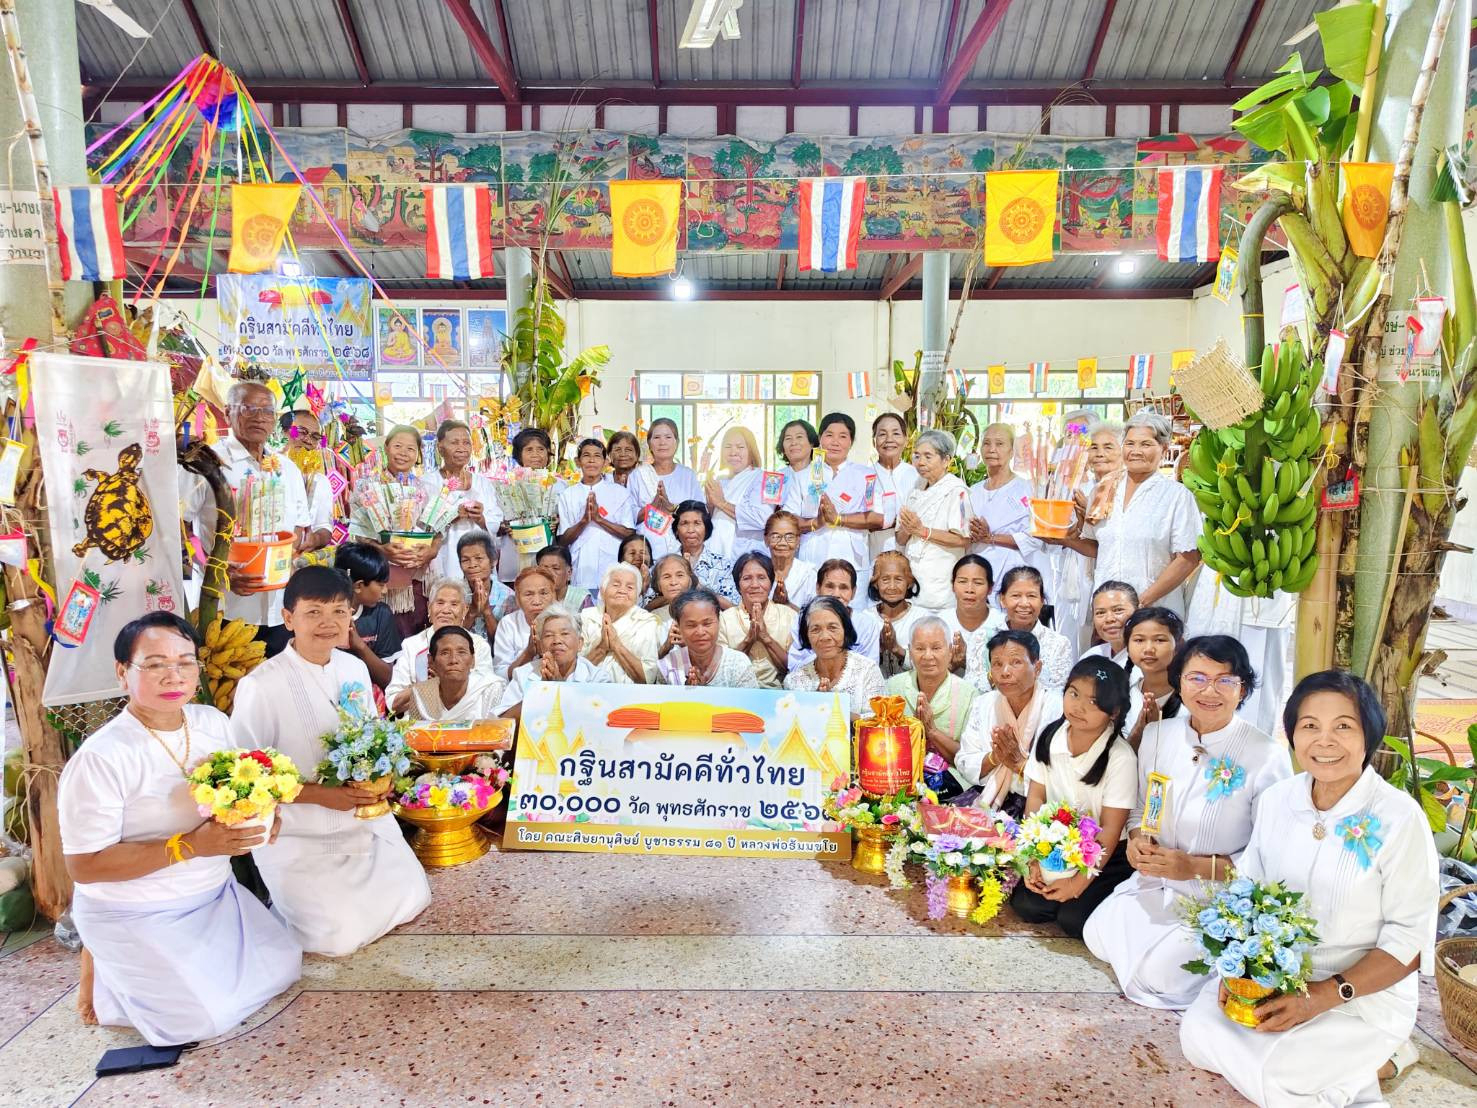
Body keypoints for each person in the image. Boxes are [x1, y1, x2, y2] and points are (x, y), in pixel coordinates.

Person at [1179, 671, 1439, 1105]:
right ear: (1293, 735)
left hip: (1357, 996)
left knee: (1278, 1072)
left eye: (1343, 726)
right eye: (1310, 726)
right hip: (1275, 980)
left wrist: (1322, 996)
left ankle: (1383, 1057)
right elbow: (1247, 893)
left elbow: (1409, 943)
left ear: (1369, 735)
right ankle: (1360, 1070)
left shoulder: (1399, 818)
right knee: (1196, 1036)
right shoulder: (1279, 800)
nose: (1325, 741)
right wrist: (1236, 971)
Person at [59, 613, 301, 1046]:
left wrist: (264, 812)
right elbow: (85, 866)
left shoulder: (211, 722)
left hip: (212, 895)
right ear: (122, 673)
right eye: (155, 664)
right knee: (199, 1022)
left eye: (185, 662)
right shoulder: (101, 757)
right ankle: (107, 972)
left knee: (284, 968)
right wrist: (190, 846)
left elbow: (240, 789)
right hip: (135, 910)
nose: (174, 676)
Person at [230, 567, 431, 956]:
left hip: (359, 821)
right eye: (314, 612)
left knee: (414, 895)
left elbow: (372, 736)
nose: (328, 623)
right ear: (288, 618)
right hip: (299, 833)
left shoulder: (353, 667)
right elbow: (246, 778)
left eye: (339, 611)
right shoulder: (260, 685)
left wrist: (382, 775)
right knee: (338, 938)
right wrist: (320, 795)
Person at [1084, 635, 1290, 1011]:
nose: (1209, 691)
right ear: (1179, 681)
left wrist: (1193, 866)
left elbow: (1269, 856)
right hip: (1154, 883)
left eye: (1224, 680)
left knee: (1160, 976)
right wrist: (1137, 839)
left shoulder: (1266, 756)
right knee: (1094, 934)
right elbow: (1142, 807)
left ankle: (1224, 958)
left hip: (1217, 897)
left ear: (1243, 689)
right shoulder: (1157, 736)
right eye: (1197, 678)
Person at [1009, 657, 1138, 939]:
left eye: (1094, 702)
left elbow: (1111, 829)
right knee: (1027, 905)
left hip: (1105, 852)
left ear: (1114, 711)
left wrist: (1077, 884)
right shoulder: (1050, 735)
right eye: (1074, 693)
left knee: (1074, 920)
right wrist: (1032, 859)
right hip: (1057, 843)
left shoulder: (1120, 757)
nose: (1079, 707)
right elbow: (1036, 799)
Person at [180, 380, 310, 656]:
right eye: (249, 409)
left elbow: (298, 526)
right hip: (223, 607)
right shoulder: (206, 463)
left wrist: (288, 560)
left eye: (268, 411)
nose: (260, 418)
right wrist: (216, 568)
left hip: (280, 608)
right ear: (228, 413)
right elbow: (180, 525)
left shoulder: (287, 469)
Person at [1055, 411, 1201, 616]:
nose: (1136, 451)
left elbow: (1188, 559)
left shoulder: (1176, 496)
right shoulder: (1102, 490)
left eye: (1146, 444)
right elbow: (1097, 546)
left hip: (1153, 612)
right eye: (1130, 443)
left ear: (1164, 448)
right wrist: (1064, 539)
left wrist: (1141, 602)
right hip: (1108, 610)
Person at [346, 424, 442, 638]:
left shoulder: (425, 488)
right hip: (381, 576)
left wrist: (432, 551)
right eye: (398, 446)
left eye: (410, 448)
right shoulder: (366, 486)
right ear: (387, 447)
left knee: (420, 632)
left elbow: (438, 530)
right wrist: (382, 550)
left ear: (418, 454)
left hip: (419, 574)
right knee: (388, 632)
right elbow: (359, 532)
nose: (403, 453)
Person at [955, 629, 1064, 816]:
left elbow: (1061, 776)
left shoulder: (1057, 708)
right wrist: (995, 758)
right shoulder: (984, 703)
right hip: (985, 794)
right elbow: (964, 760)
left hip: (1036, 803)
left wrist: (1019, 762)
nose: (1005, 672)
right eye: (997, 664)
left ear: (1037, 668)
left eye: (1016, 662)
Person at [886, 617, 978, 800]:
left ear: (950, 651)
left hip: (952, 783)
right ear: (910, 651)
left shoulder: (969, 695)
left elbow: (970, 759)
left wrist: (932, 731)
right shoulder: (893, 687)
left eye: (936, 648)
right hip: (898, 777)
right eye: (920, 648)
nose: (928, 656)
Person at [387, 577, 499, 709]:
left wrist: (449, 684)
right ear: (429, 608)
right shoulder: (411, 646)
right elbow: (393, 702)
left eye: (454, 604)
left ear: (465, 610)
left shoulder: (478, 645)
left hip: (465, 717)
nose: (446, 610)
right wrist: (425, 687)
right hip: (419, 719)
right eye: (440, 603)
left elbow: (486, 695)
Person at [789, 413, 882, 568]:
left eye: (843, 436)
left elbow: (878, 518)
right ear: (820, 438)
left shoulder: (866, 475)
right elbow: (788, 518)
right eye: (829, 435)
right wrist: (815, 523)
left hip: (852, 558)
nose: (835, 442)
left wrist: (839, 519)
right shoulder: (803, 476)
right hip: (812, 558)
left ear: (851, 442)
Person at [895, 428, 971, 612]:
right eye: (917, 456)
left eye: (928, 456)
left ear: (946, 460)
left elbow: (963, 539)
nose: (920, 462)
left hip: (940, 584)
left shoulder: (956, 491)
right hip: (913, 579)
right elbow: (900, 539)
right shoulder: (916, 489)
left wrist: (922, 531)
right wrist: (908, 529)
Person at [496, 605, 607, 719]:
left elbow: (600, 720)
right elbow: (502, 720)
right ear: (540, 646)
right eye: (548, 635)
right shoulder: (523, 674)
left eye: (564, 634)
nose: (557, 641)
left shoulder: (597, 678)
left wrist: (558, 688)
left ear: (580, 643)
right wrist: (543, 691)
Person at [784, 596, 888, 715]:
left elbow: (879, 720)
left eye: (832, 628)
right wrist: (814, 706)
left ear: (845, 631)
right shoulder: (794, 681)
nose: (825, 637)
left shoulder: (867, 671)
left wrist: (834, 709)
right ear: (806, 635)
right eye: (815, 630)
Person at [556, 437, 637, 589]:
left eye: (597, 456)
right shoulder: (568, 495)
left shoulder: (620, 493)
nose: (592, 460)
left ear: (605, 463)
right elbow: (562, 541)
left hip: (612, 565)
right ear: (578, 462)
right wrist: (584, 521)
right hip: (580, 568)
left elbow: (629, 533)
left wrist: (599, 520)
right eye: (586, 455)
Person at [426, 419, 499, 581]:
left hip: (479, 558)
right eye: (454, 443)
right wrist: (451, 517)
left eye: (466, 443)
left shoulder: (483, 483)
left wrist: (481, 519)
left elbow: (495, 520)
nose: (462, 448)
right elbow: (422, 527)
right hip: (445, 555)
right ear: (440, 448)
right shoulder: (429, 483)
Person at [966, 422, 1036, 586]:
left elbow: (1034, 539)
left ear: (1012, 451)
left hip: (1014, 575)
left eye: (999, 444)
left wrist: (990, 538)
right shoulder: (973, 491)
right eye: (986, 443)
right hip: (978, 575)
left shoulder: (1027, 489)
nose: (992, 449)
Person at [495, 427, 564, 582]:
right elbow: (495, 521)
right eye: (529, 449)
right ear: (519, 454)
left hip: (548, 553)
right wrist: (504, 527)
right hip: (515, 553)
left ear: (548, 453)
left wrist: (558, 524)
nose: (535, 454)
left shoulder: (560, 485)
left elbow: (567, 519)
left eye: (541, 449)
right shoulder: (507, 485)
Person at [787, 559, 883, 670]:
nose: (836, 594)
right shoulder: (803, 620)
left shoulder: (867, 625)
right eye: (830, 586)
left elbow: (871, 668)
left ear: (853, 592)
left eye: (843, 588)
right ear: (818, 588)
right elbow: (794, 666)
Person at [718, 552, 796, 689]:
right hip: (737, 692)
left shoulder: (789, 616)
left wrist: (766, 638)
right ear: (738, 586)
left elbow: (795, 668)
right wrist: (749, 640)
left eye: (761, 578)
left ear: (771, 583)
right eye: (747, 578)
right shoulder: (725, 619)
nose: (754, 585)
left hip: (780, 693)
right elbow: (723, 671)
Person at [628, 417, 704, 558]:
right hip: (647, 551)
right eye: (657, 437)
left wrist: (672, 508)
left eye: (668, 437)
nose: (662, 442)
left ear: (677, 442)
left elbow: (700, 513)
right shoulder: (638, 475)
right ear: (649, 444)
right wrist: (653, 506)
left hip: (682, 548)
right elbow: (629, 517)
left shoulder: (688, 475)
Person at [659, 588, 760, 687]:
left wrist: (705, 692)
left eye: (707, 624)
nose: (700, 632)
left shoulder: (738, 664)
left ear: (718, 622)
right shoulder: (668, 666)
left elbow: (749, 699)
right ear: (679, 627)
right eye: (691, 625)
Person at [405, 625, 507, 721]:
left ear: (473, 660)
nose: (453, 660)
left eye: (461, 652)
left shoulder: (490, 690)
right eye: (445, 653)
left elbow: (499, 731)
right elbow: (414, 732)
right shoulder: (420, 695)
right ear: (431, 661)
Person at [581, 561, 661, 683]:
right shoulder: (586, 617)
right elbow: (574, 672)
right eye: (616, 585)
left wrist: (616, 645)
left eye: (630, 587)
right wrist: (601, 648)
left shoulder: (647, 622)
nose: (622, 590)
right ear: (602, 591)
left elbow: (647, 678)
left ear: (637, 596)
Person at [334, 542, 400, 689]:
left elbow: (386, 679)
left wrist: (360, 646)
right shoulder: (325, 617)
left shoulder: (381, 614)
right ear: (358, 586)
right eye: (381, 585)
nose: (385, 591)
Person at [997, 566, 1073, 691]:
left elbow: (1058, 694)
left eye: (1031, 596)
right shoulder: (983, 638)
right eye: (1016, 595)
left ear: (1042, 601)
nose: (1024, 604)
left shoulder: (1059, 645)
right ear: (1002, 599)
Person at [703, 426, 774, 558]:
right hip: (715, 553)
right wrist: (711, 506)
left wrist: (722, 503)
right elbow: (713, 519)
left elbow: (763, 519)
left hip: (747, 556)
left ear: (751, 451)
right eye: (728, 446)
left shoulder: (767, 479)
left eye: (740, 447)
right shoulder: (720, 481)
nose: (733, 452)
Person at [939, 554, 1006, 691]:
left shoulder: (1002, 625)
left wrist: (967, 661)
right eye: (962, 581)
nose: (969, 589)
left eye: (978, 583)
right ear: (952, 585)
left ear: (990, 588)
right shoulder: (940, 623)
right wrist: (952, 666)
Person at [1122, 606, 1186, 745]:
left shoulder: (1192, 698)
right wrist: (1139, 730)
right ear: (1127, 646)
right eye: (1139, 640)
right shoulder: (1123, 696)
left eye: (1159, 640)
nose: (1148, 649)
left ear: (1179, 645)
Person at [492, 567, 559, 680]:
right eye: (528, 594)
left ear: (554, 596)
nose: (537, 601)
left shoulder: (565, 621)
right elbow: (501, 674)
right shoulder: (508, 624)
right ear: (517, 599)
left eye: (544, 593)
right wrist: (529, 653)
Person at [868, 412, 919, 560]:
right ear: (874, 441)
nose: (889, 440)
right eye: (882, 434)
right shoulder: (865, 476)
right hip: (874, 555)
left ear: (906, 440)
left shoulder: (918, 476)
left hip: (911, 558)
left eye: (896, 433)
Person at [871, 550, 927, 678]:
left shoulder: (922, 619)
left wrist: (896, 649)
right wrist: (879, 649)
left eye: (898, 579)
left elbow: (929, 664)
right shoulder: (866, 619)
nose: (892, 586)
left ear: (909, 583)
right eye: (885, 579)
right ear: (875, 583)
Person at [673, 499, 737, 607]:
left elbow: (732, 608)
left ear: (706, 528)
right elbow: (648, 606)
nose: (691, 530)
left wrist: (697, 586)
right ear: (676, 530)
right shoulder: (667, 562)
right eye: (684, 523)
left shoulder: (722, 564)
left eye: (697, 523)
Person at [456, 529, 511, 638]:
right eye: (465, 560)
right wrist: (472, 611)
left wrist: (486, 611)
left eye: (479, 558)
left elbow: (505, 643)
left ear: (493, 560)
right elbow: (449, 638)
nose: (472, 565)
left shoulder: (509, 596)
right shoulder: (453, 593)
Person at [764, 509, 817, 611]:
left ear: (798, 541)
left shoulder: (809, 575)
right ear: (766, 539)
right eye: (776, 536)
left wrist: (787, 604)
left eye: (789, 537)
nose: (782, 543)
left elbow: (815, 617)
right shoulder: (757, 572)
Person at [1081, 580, 1139, 666]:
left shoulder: (1150, 658)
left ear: (1138, 611)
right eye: (1100, 613)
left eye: (1118, 610)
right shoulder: (1091, 657)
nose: (1109, 619)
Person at [648, 553, 696, 657]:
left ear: (690, 580)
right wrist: (666, 646)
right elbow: (646, 662)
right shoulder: (651, 618)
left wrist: (687, 645)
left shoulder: (706, 611)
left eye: (680, 575)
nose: (673, 582)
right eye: (667, 577)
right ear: (658, 585)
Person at [619, 532, 655, 602]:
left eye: (643, 553)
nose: (638, 557)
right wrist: (642, 587)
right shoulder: (613, 583)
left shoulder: (659, 582)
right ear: (621, 560)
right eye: (632, 553)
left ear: (650, 559)